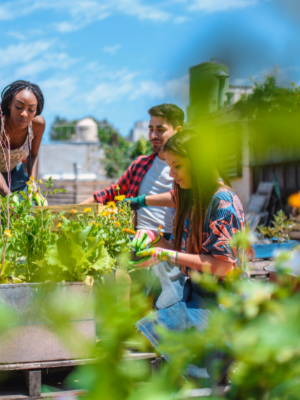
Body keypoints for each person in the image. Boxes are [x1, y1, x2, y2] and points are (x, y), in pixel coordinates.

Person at [130, 129, 249, 380]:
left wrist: (164, 254)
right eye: (170, 166)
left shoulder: (222, 202)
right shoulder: (193, 198)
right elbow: (183, 248)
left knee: (192, 363)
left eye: (178, 166)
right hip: (197, 293)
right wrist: (154, 238)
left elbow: (221, 267)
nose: (171, 174)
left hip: (225, 302)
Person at [81, 104, 184, 310]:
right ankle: (124, 329)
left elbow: (186, 198)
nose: (153, 135)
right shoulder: (141, 164)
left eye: (160, 129)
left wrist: (141, 200)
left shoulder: (185, 168)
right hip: (134, 238)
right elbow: (112, 193)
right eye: (150, 129)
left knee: (140, 283)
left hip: (168, 242)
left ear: (178, 131)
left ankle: (137, 329)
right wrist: (74, 209)